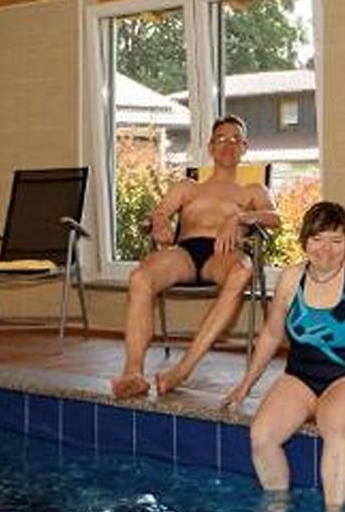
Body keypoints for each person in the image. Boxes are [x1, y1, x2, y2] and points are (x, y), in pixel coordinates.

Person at [220, 201, 345, 510]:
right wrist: (245, 385)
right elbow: (271, 335)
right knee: (262, 437)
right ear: (305, 241)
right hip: (300, 378)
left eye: (335, 241)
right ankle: (278, 511)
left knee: (336, 429)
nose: (326, 249)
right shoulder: (291, 279)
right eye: (317, 239)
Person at [109, 118, 280, 401]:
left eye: (235, 139)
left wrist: (240, 217)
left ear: (244, 147)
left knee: (242, 271)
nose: (228, 145)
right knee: (139, 277)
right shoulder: (188, 187)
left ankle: (182, 370)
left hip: (223, 255)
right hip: (185, 252)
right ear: (211, 147)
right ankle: (133, 373)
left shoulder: (253, 190)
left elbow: (275, 219)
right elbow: (158, 213)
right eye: (221, 139)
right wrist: (159, 221)